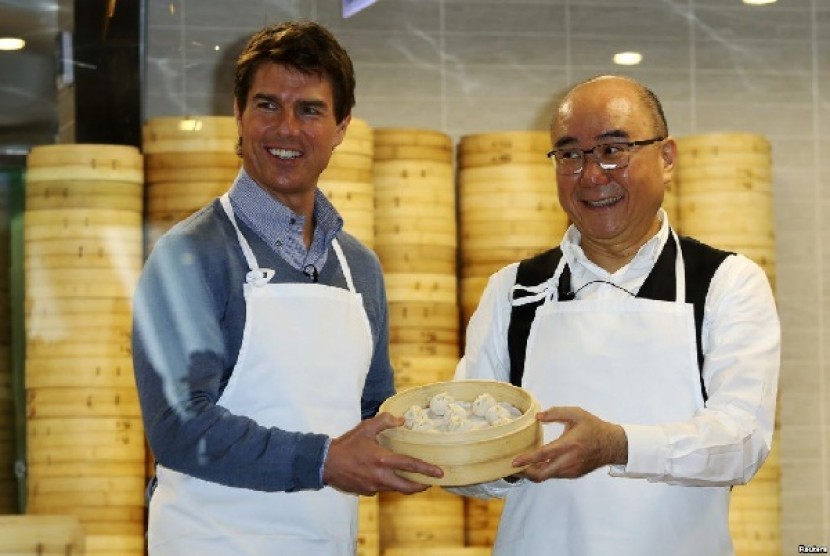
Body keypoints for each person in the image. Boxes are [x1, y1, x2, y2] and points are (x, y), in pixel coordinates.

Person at [132, 21, 442, 556]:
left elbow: (371, 405)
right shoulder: (191, 255)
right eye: (268, 105)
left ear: (342, 126)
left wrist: (450, 446)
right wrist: (324, 460)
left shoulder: (359, 268)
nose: (286, 129)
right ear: (239, 113)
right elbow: (178, 425)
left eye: (311, 110)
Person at [450, 75, 780, 555]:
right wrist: (480, 460)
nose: (590, 175)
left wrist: (617, 445)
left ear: (666, 158)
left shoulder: (726, 282)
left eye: (612, 150)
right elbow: (471, 466)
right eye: (569, 154)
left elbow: (742, 443)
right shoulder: (513, 291)